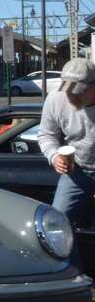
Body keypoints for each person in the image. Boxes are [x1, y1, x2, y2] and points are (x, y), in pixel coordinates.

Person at [37, 57, 95, 231]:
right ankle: (68, 257)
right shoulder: (56, 99)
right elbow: (46, 134)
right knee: (56, 224)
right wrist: (54, 156)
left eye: (77, 91)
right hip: (77, 171)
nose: (70, 96)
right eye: (67, 89)